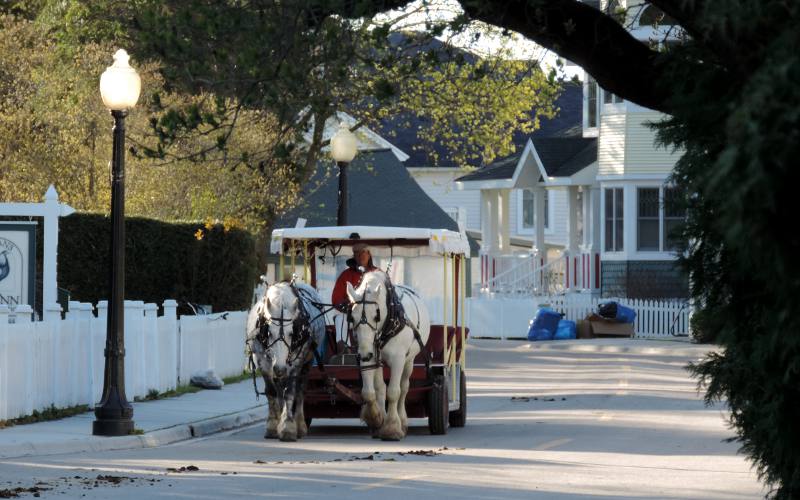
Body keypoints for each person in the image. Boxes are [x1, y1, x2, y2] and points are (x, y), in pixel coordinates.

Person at [331, 243, 377, 309]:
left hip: (373, 314)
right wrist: (349, 305)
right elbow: (336, 299)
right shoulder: (345, 275)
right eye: (357, 253)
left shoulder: (378, 274)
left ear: (369, 255)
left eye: (363, 252)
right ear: (354, 256)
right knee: (339, 318)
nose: (360, 256)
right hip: (350, 314)